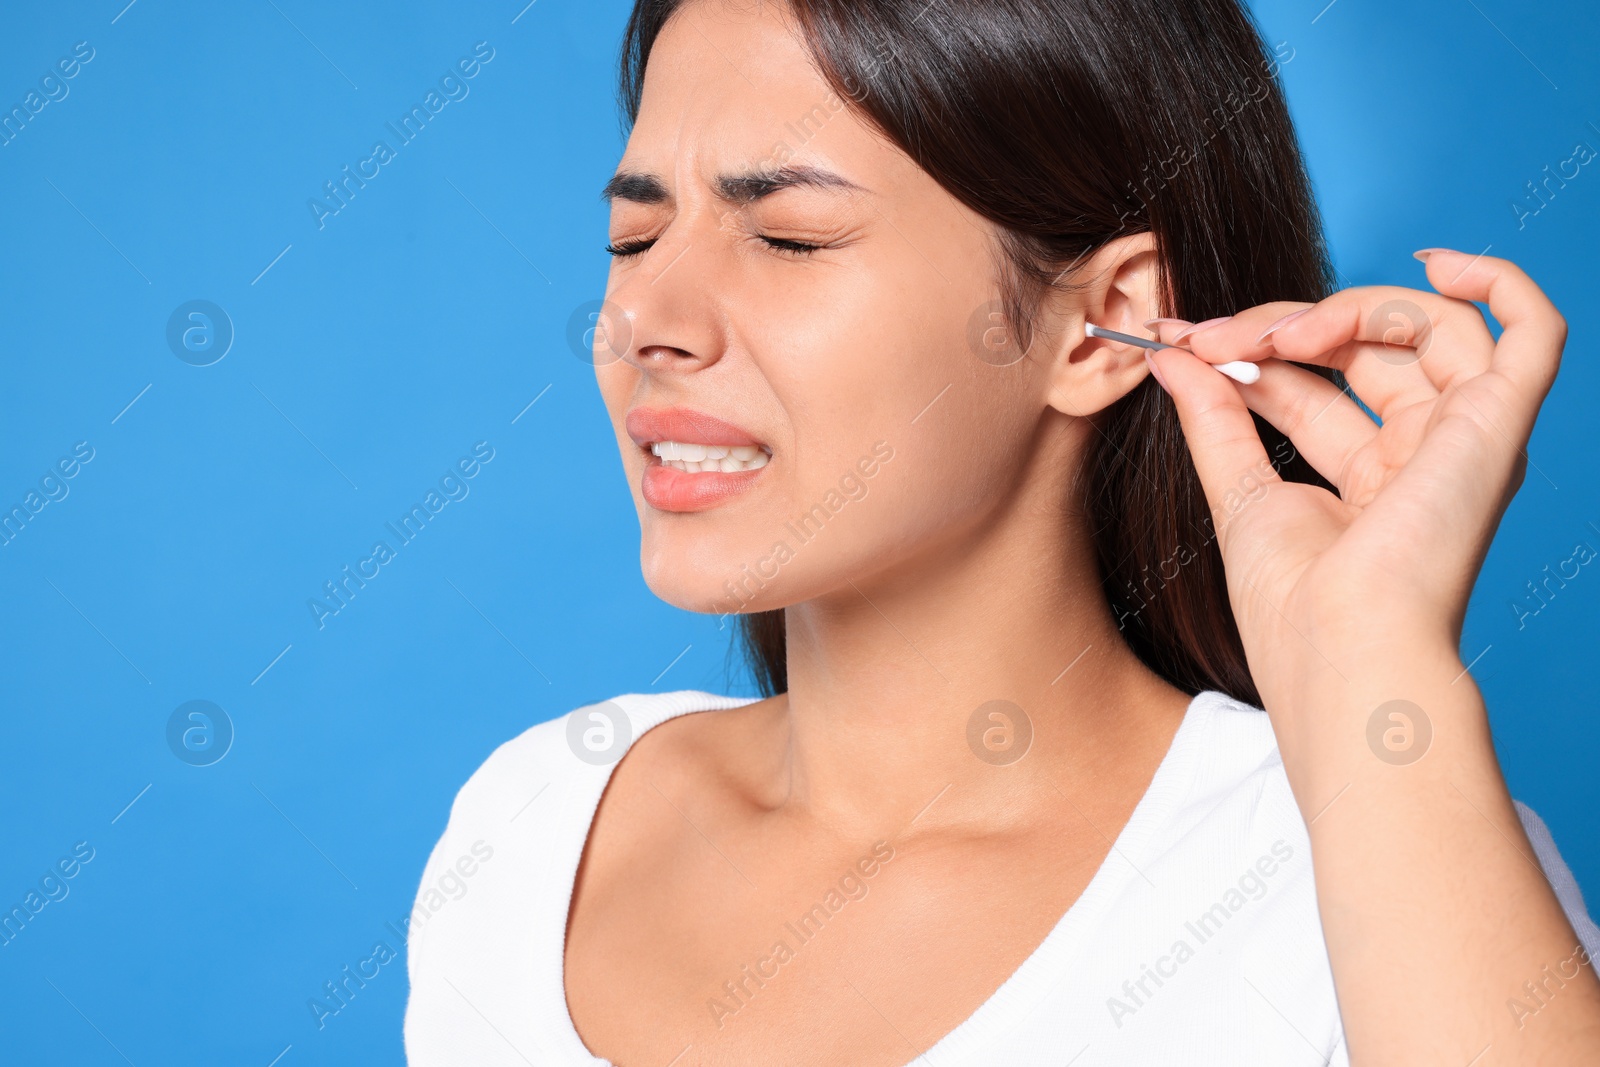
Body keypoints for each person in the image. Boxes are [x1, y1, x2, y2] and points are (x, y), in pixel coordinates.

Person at [404, 1, 1600, 1063]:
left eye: (789, 237)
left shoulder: (1370, 856)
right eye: (634, 237)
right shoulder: (534, 826)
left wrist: (1369, 668)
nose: (641, 321)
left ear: (1100, 325)